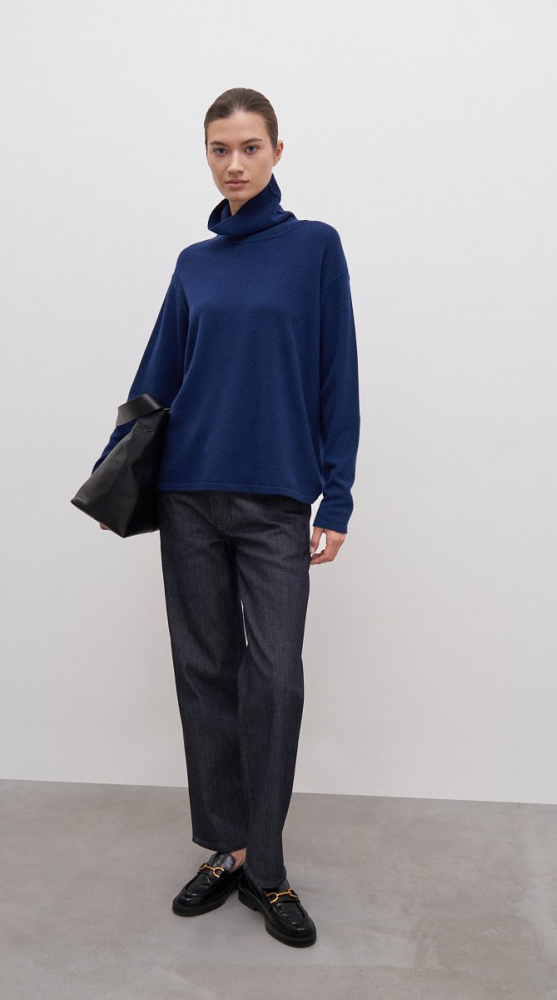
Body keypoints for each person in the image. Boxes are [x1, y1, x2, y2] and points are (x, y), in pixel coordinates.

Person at [92, 87, 361, 948]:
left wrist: (337, 494)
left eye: (249, 147)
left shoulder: (314, 248)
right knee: (205, 671)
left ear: (277, 150)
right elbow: (157, 375)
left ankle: (268, 870)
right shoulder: (194, 264)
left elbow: (338, 374)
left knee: (275, 679)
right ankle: (230, 847)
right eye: (219, 149)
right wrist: (113, 470)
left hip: (277, 497)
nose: (234, 164)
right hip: (189, 494)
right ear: (206, 155)